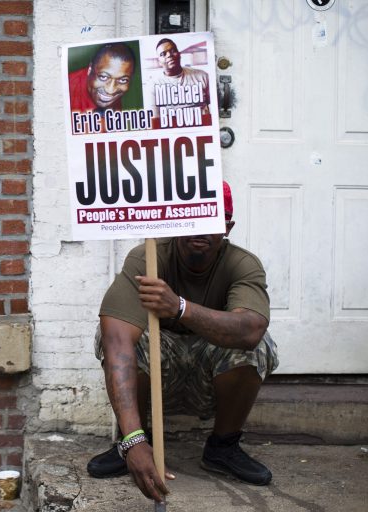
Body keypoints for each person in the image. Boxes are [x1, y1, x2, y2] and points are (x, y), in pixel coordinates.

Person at [87, 182, 279, 504]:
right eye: (191, 217)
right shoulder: (147, 258)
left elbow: (251, 330)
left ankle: (223, 447)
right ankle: (132, 444)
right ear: (175, 220)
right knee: (114, 336)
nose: (200, 229)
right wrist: (132, 440)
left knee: (258, 346)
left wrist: (180, 308)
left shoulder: (242, 264)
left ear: (228, 226)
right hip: (162, 368)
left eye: (213, 219)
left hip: (209, 373)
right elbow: (117, 339)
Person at [147, 37, 211, 128]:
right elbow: (155, 121)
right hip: (172, 133)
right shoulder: (153, 85)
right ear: (159, 61)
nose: (169, 55)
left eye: (173, 51)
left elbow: (215, 107)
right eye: (163, 54)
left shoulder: (202, 76)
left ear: (179, 54)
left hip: (202, 129)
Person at [68, 43, 136, 114]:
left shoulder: (110, 96)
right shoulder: (68, 89)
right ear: (90, 69)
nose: (110, 90)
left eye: (123, 80)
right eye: (103, 77)